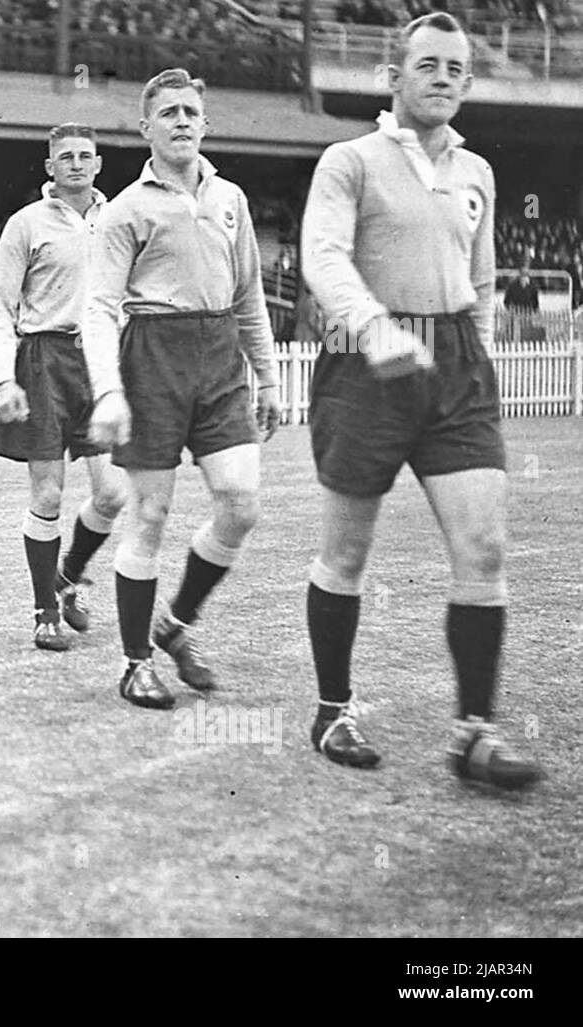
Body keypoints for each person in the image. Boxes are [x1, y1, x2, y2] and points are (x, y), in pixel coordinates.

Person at [300, 12, 542, 788]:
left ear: (468, 84)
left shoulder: (477, 173)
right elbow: (322, 256)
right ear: (393, 77)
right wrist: (372, 328)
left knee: (486, 548)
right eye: (427, 65)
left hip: (457, 368)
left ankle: (474, 734)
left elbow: (481, 278)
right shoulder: (350, 159)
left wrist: (477, 356)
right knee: (347, 552)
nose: (442, 78)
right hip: (363, 363)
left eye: (455, 69)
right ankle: (333, 707)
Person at [83, 68, 281, 710]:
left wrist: (269, 377)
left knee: (241, 503)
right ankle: (136, 661)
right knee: (151, 515)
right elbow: (99, 308)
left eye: (191, 111)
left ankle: (176, 623)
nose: (182, 121)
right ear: (146, 128)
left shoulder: (231, 199)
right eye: (168, 112)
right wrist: (109, 390)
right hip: (153, 360)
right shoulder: (126, 209)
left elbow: (249, 295)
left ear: (205, 121)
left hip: (220, 358)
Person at [0, 123, 126, 652]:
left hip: (101, 359)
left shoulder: (118, 218)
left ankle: (68, 576)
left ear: (98, 164)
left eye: (85, 156)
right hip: (43, 357)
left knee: (113, 493)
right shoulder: (25, 224)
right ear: (49, 167)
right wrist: (3, 378)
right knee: (48, 493)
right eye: (64, 157)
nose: (75, 164)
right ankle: (45, 609)